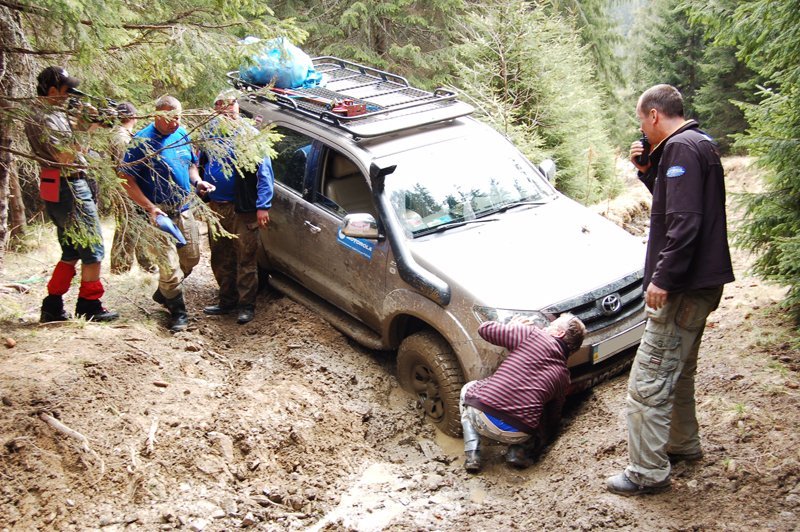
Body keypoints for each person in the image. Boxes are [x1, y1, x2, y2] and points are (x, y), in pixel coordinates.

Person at [605, 84, 735, 496]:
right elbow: (679, 204)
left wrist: (662, 279)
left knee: (647, 384)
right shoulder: (700, 144)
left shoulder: (679, 149)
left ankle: (647, 472)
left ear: (655, 116)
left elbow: (684, 224)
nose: (641, 128)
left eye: (641, 120)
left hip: (682, 288)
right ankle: (682, 444)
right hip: (702, 284)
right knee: (678, 373)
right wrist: (648, 174)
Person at [24, 66, 119, 323]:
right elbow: (64, 155)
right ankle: (89, 304)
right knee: (93, 249)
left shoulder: (48, 113)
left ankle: (52, 305)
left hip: (57, 186)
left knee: (71, 249)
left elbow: (75, 135)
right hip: (69, 186)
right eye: (67, 91)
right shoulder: (45, 117)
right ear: (52, 90)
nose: (70, 96)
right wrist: (86, 127)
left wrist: (96, 120)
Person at [118, 95, 215, 332]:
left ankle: (164, 293)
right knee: (170, 268)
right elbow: (125, 177)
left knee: (191, 258)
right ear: (156, 116)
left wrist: (198, 181)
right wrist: (149, 207)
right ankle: (178, 312)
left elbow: (191, 164)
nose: (174, 123)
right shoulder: (141, 141)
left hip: (183, 208)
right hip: (157, 214)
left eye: (178, 118)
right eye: (170, 119)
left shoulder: (182, 133)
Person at [460, 313, 586, 473]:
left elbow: (485, 329)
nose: (546, 327)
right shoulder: (563, 377)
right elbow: (553, 418)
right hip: (519, 433)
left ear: (559, 333)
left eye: (551, 326)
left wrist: (513, 325)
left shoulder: (532, 334)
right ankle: (518, 452)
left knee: (469, 388)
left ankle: (473, 454)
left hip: (482, 417)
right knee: (542, 408)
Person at [199, 89, 274, 324]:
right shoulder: (208, 134)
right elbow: (200, 163)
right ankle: (226, 300)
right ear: (215, 109)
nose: (227, 108)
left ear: (237, 108)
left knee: (246, 256)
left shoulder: (249, 135)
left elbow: (265, 174)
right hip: (216, 205)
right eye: (221, 105)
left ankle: (246, 305)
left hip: (244, 209)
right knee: (220, 255)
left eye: (231, 104)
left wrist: (263, 206)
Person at [108, 102, 156, 274]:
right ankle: (120, 266)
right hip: (125, 189)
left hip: (130, 188)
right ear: (133, 117)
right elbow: (124, 168)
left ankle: (146, 262)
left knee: (139, 225)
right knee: (126, 227)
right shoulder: (121, 138)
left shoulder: (126, 135)